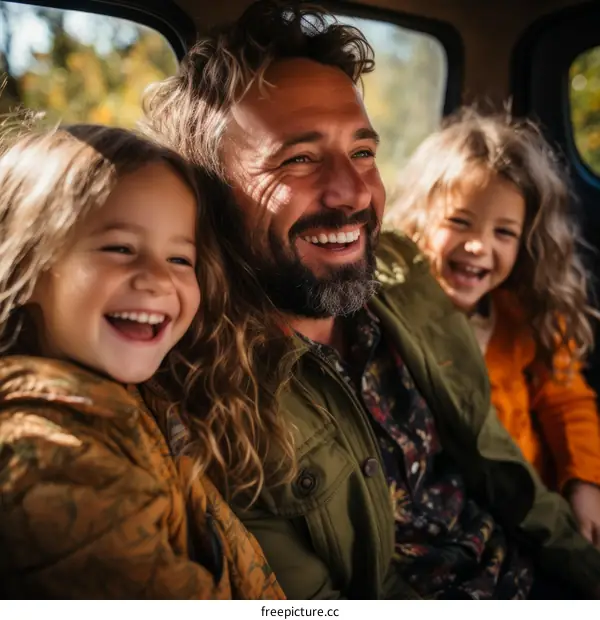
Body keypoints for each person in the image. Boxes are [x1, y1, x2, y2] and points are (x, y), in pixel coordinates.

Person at [142, 0, 600, 599]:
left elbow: (506, 474)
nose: (355, 192)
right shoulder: (213, 393)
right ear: (209, 194)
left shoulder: (405, 273)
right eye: (299, 159)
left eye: (363, 152)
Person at [0, 123, 286, 599]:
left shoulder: (135, 399)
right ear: (27, 269)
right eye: (120, 249)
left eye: (180, 259)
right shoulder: (49, 457)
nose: (156, 279)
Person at [385, 109, 600, 546]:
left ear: (525, 242)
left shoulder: (523, 316)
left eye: (505, 232)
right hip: (450, 519)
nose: (479, 244)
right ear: (419, 219)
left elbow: (565, 401)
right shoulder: (396, 317)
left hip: (533, 505)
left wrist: (585, 483)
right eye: (459, 221)